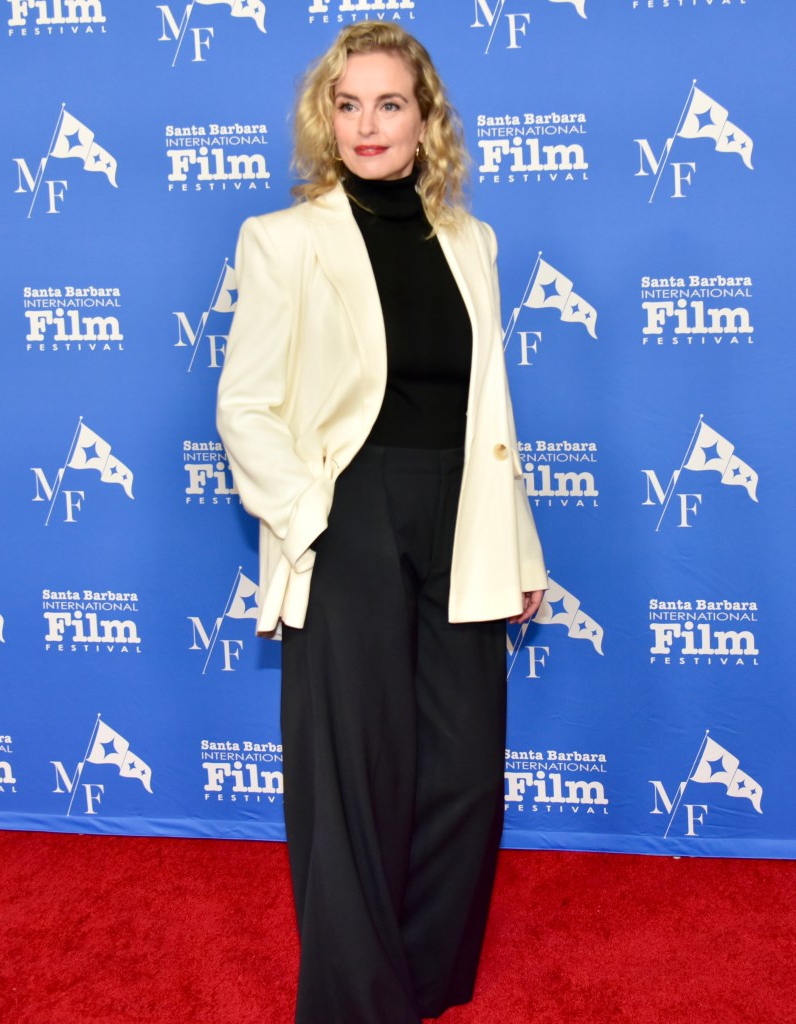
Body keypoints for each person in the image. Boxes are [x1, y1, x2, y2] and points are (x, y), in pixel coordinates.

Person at [216, 22, 547, 1024]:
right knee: (356, 773)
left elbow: (490, 413)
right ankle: (357, 1001)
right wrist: (308, 515)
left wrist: (518, 544)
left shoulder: (472, 243)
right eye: (347, 103)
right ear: (325, 118)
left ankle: (424, 979)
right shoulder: (283, 239)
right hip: (348, 510)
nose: (367, 124)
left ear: (424, 118)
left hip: (464, 511)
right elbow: (245, 405)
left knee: (463, 766)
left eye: (389, 103)